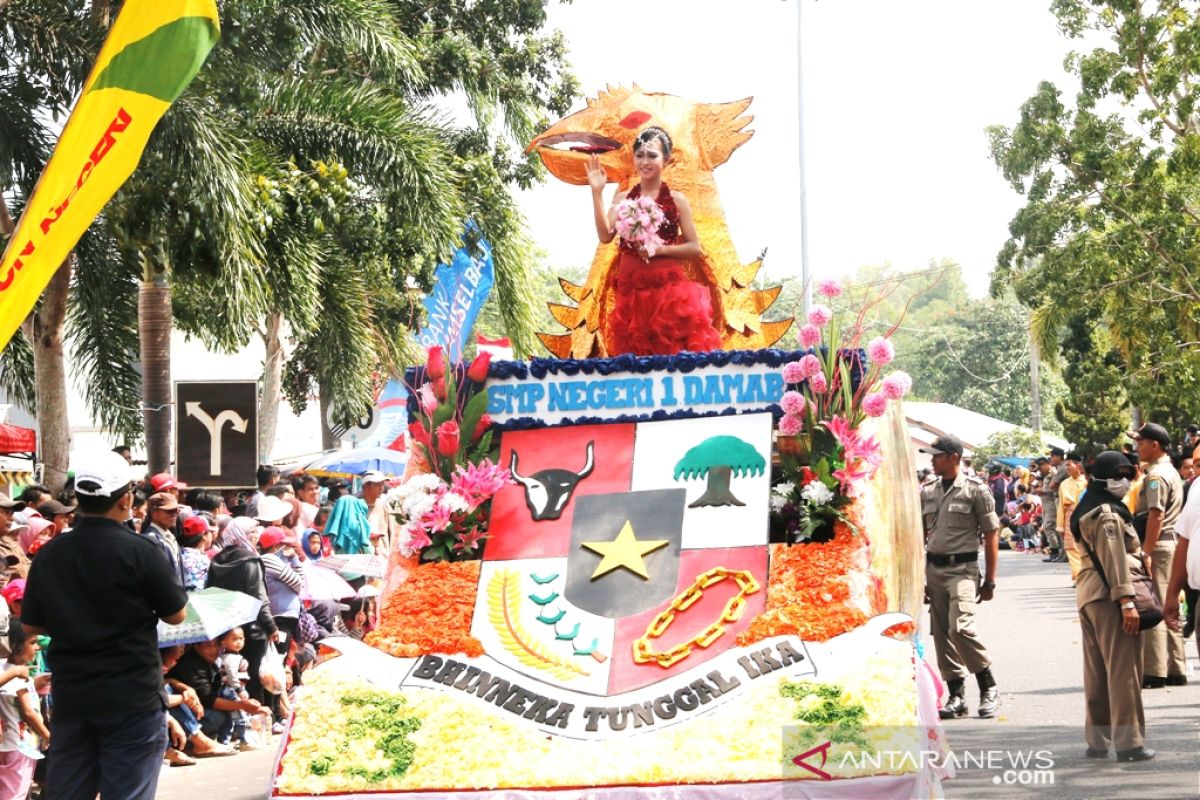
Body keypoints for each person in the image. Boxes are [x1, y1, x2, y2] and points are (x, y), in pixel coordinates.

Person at [20, 449, 189, 799]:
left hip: (74, 695)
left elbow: (33, 626)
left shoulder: (50, 554)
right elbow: (176, 614)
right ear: (126, 499)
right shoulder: (141, 550)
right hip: (132, 695)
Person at [586, 126, 723, 356]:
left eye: (652, 155)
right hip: (631, 292)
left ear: (666, 160)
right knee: (636, 360)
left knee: (672, 356)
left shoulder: (677, 200)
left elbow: (694, 247)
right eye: (639, 155)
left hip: (668, 292)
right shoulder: (622, 197)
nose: (645, 161)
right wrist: (597, 193)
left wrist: (659, 249)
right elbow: (605, 235)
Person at [1071, 451, 1154, 762]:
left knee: (1096, 672)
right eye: (1117, 474)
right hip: (1110, 598)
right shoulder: (1107, 513)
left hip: (1089, 594)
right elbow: (1114, 559)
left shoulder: (1088, 504)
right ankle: (1129, 742)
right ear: (1102, 477)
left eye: (1126, 474)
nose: (1123, 480)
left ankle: (1097, 740)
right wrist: (1127, 602)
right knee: (1123, 671)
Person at [919, 434, 1001, 719]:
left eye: (937, 455)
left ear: (953, 457)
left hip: (963, 570)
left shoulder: (977, 490)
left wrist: (990, 580)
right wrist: (922, 578)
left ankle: (987, 684)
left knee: (960, 628)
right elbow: (919, 535)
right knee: (941, 634)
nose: (932, 460)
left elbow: (992, 534)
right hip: (934, 570)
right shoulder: (927, 490)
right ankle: (956, 695)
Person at [1128, 423, 1186, 688]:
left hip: (1159, 545)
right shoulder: (1168, 471)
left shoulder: (1156, 476)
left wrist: (1146, 552)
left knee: (1156, 604)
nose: (1137, 447)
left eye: (1141, 443)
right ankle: (1176, 667)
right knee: (1169, 602)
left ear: (1155, 445)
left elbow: (1156, 515)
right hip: (1169, 544)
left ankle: (1155, 671)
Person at [206, 518, 278, 704]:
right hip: (252, 630)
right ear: (242, 534)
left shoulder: (217, 560)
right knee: (254, 676)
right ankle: (258, 718)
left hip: (226, 629)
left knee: (229, 676)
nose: (257, 537)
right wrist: (271, 626)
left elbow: (210, 594)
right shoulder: (250, 560)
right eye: (253, 533)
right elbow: (258, 596)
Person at [166, 639, 262, 744]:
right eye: (209, 645)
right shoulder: (191, 664)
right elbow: (208, 700)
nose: (214, 650)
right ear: (196, 646)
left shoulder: (217, 661)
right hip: (184, 709)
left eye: (217, 645)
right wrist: (242, 705)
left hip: (196, 704)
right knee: (218, 717)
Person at [0, 628, 51, 800]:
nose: (37, 648)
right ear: (16, 646)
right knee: (15, 794)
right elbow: (28, 713)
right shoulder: (20, 674)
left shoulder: (2, 670)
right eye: (32, 642)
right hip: (22, 747)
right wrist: (47, 735)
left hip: (5, 744)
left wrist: (34, 685)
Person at [259, 526, 305, 648]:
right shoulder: (269, 559)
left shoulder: (275, 560)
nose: (286, 548)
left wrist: (294, 559)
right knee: (279, 655)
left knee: (283, 655)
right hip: (280, 618)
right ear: (275, 546)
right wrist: (294, 560)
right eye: (283, 544)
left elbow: (301, 585)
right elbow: (298, 583)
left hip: (286, 618)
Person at [143, 491, 185, 586]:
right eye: (170, 511)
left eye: (176, 510)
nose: (174, 514)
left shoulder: (170, 537)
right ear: (154, 513)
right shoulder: (151, 539)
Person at [1058, 456, 1087, 583]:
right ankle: (1077, 577)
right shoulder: (1063, 484)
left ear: (1078, 466)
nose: (1067, 468)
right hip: (1070, 515)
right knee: (1071, 547)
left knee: (1085, 546)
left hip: (1086, 514)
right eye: (1066, 465)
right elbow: (1060, 506)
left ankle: (1087, 576)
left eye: (1069, 464)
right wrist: (1060, 525)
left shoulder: (1087, 482)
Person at [179, 515, 214, 592]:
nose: (212, 534)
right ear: (204, 535)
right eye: (210, 532)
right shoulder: (202, 560)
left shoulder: (178, 553)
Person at [361, 471, 391, 554]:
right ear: (366, 486)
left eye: (382, 484)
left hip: (383, 556)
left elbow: (391, 532)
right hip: (363, 557)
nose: (381, 488)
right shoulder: (356, 506)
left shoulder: (385, 506)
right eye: (378, 484)